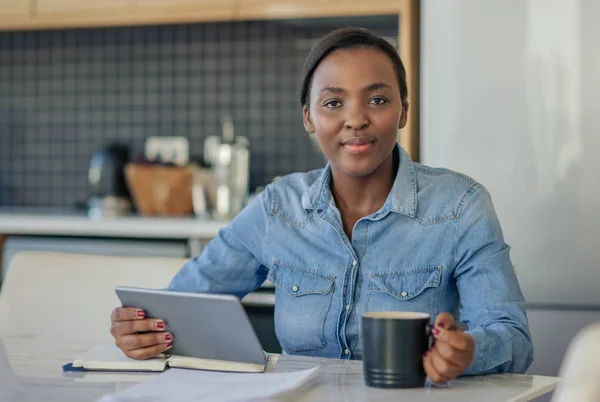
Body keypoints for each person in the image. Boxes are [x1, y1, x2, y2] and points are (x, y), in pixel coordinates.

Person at [109, 27, 533, 383]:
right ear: (309, 117)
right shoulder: (277, 207)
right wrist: (141, 329)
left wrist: (467, 351)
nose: (356, 119)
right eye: (333, 103)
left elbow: (513, 338)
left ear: (403, 110)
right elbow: (181, 305)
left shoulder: (461, 206)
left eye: (378, 99)